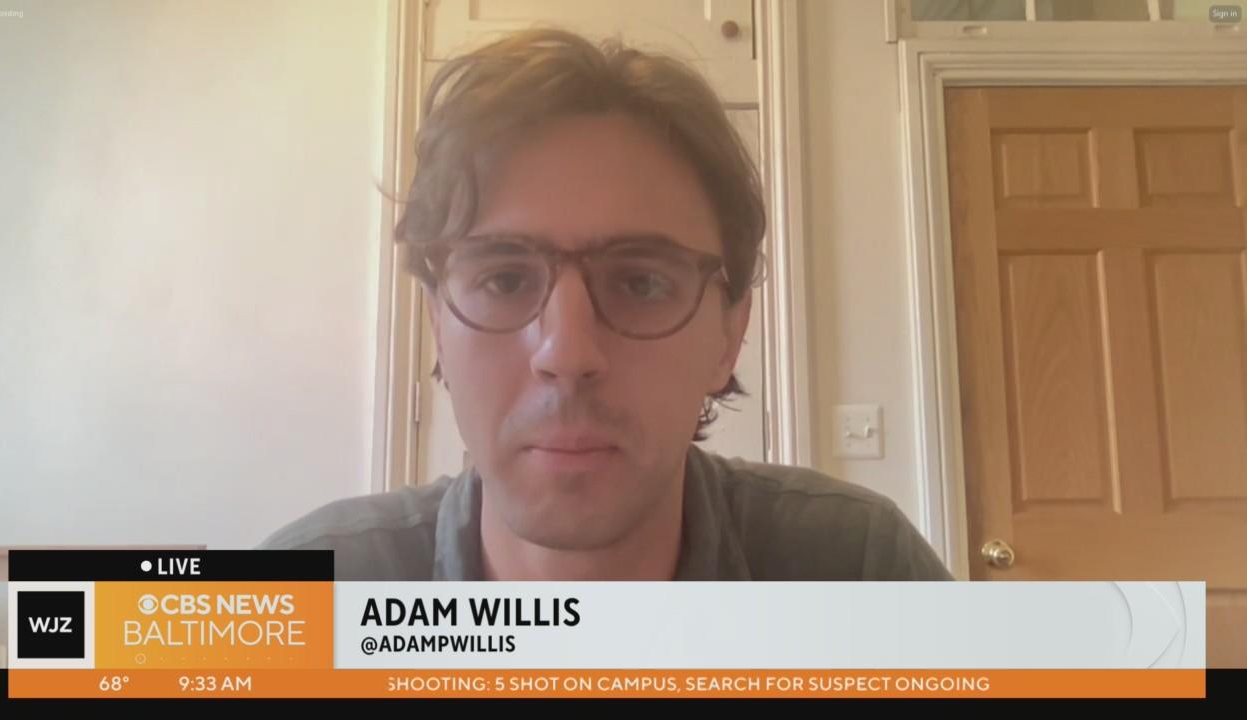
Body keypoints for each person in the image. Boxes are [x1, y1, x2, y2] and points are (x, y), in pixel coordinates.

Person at [259, 28, 952, 582]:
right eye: (505, 279)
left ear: (729, 334)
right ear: (438, 324)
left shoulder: (862, 572)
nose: (567, 353)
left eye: (641, 282)